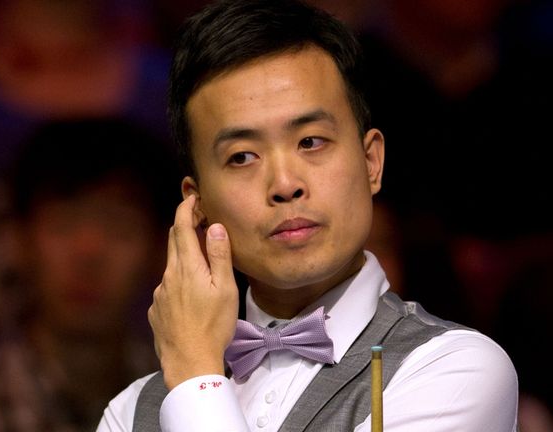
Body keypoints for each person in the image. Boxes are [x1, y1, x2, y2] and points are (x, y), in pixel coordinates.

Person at [97, 1, 518, 431]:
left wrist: (196, 381)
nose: (284, 183)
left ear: (371, 163)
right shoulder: (132, 411)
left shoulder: (455, 369)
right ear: (197, 204)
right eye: (242, 156)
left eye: (311, 142)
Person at [0, 119, 173, 431]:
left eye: (119, 227)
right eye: (64, 224)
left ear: (159, 249)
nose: (89, 254)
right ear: (18, 240)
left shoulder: (185, 397)